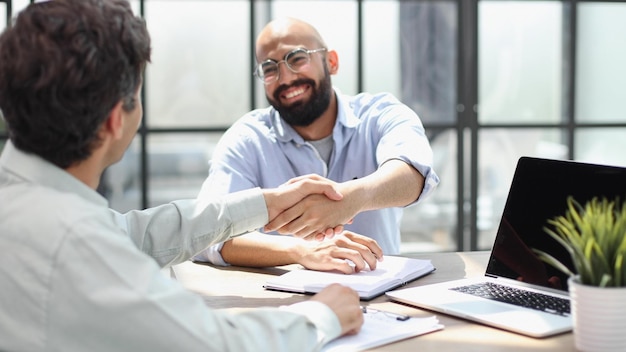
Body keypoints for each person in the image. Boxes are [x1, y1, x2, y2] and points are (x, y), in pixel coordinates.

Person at [0, 1, 364, 351]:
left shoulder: (29, 200)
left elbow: (132, 234)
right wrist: (322, 316)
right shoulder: (72, 242)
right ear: (115, 119)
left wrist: (265, 204)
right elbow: (213, 344)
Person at [193, 17, 439, 272]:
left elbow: (414, 174)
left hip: (381, 294)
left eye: (297, 58)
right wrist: (299, 251)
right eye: (269, 69)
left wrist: (349, 199)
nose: (285, 78)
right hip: (282, 302)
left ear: (331, 62)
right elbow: (212, 233)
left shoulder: (381, 114)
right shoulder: (246, 139)